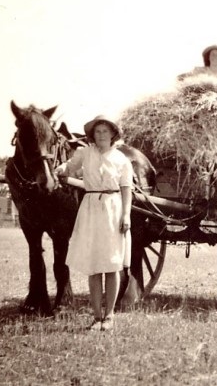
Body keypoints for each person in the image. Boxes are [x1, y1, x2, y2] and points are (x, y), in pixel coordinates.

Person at [55, 115, 133, 331]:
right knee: (93, 266)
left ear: (112, 135)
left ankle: (109, 316)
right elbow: (69, 167)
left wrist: (126, 215)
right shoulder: (84, 153)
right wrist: (62, 169)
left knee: (112, 264)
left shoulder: (121, 159)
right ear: (92, 135)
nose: (101, 135)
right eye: (97, 132)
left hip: (113, 209)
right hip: (90, 209)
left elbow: (127, 189)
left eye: (105, 132)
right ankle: (96, 316)